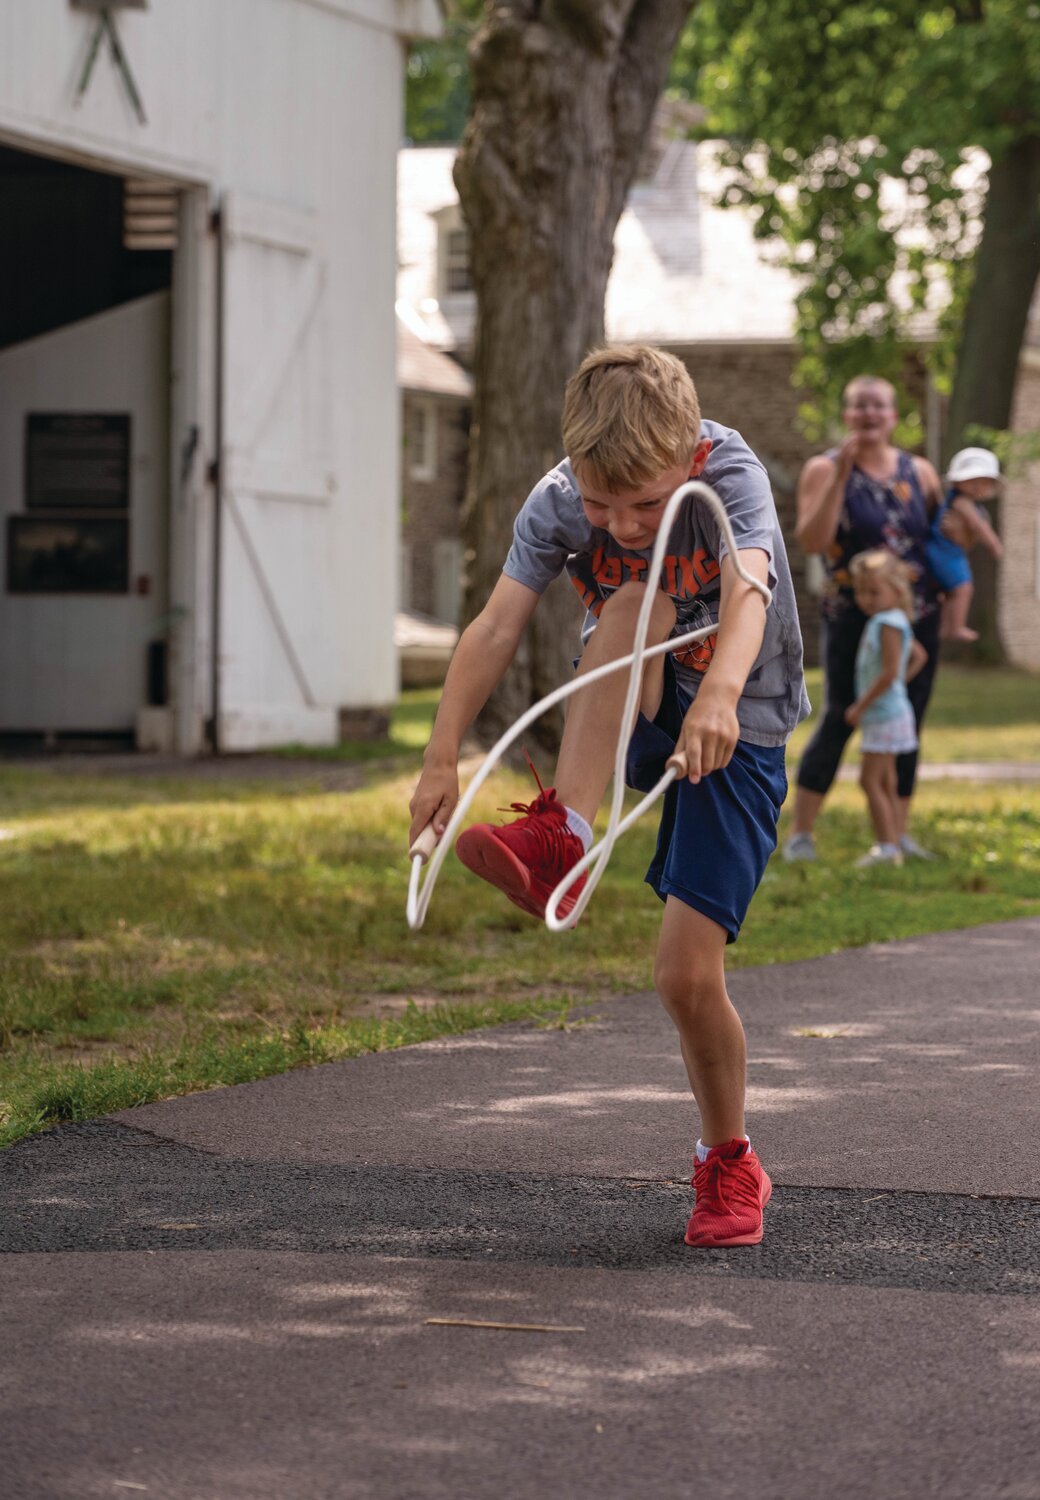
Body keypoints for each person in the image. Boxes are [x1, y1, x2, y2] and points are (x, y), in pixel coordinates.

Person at [409, 344, 810, 1248]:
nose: (622, 524)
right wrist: (441, 759)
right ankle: (568, 837)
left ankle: (729, 1162)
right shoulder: (557, 502)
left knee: (682, 977)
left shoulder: (731, 470)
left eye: (647, 504)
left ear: (690, 461)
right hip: (634, 699)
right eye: (600, 504)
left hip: (739, 721)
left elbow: (748, 594)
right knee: (631, 601)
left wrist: (718, 698)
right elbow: (497, 623)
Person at [783, 375, 950, 865]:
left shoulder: (918, 471)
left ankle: (896, 837)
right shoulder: (823, 468)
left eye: (879, 406)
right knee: (841, 715)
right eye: (860, 407)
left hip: (917, 615)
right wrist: (841, 475)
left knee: (907, 718)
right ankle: (801, 835)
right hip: (852, 616)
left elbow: (940, 538)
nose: (870, 415)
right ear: (847, 415)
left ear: (895, 416)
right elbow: (813, 541)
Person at [844, 549, 928, 866]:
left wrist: (859, 706)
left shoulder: (887, 623)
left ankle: (887, 847)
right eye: (862, 591)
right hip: (890, 711)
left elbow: (890, 671)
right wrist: (897, 687)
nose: (866, 598)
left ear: (897, 590)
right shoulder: (893, 620)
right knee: (887, 780)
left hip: (883, 714)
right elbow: (918, 656)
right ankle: (894, 839)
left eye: (875, 591)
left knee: (869, 781)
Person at [926, 446, 1004, 643]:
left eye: (983, 482)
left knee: (950, 593)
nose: (977, 487)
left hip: (951, 552)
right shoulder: (962, 502)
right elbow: (978, 525)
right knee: (963, 588)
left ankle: (944, 628)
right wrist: (994, 544)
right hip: (944, 552)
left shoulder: (969, 503)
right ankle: (957, 627)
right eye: (972, 481)